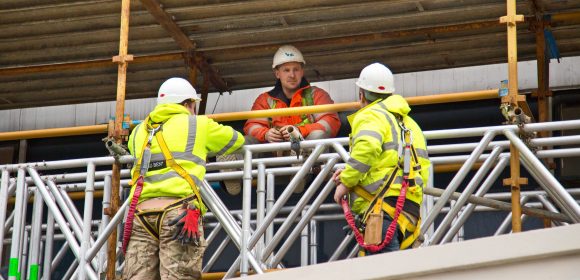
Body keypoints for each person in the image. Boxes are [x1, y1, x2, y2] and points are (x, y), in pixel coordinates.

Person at [123, 77, 245, 279]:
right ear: (189, 104)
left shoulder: (137, 132)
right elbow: (236, 140)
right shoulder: (198, 124)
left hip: (141, 215)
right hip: (179, 213)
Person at [332, 63, 430, 255]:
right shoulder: (410, 124)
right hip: (408, 213)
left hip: (381, 212)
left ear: (361, 94)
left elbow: (367, 148)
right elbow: (412, 166)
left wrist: (346, 181)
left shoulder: (371, 115)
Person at [244, 45, 340, 145]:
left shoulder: (317, 95)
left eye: (296, 69)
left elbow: (331, 122)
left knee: (318, 135)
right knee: (246, 141)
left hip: (308, 154)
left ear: (302, 72)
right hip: (273, 156)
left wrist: (300, 130)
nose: (292, 75)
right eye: (286, 70)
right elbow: (251, 127)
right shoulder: (264, 100)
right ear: (277, 73)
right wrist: (265, 134)